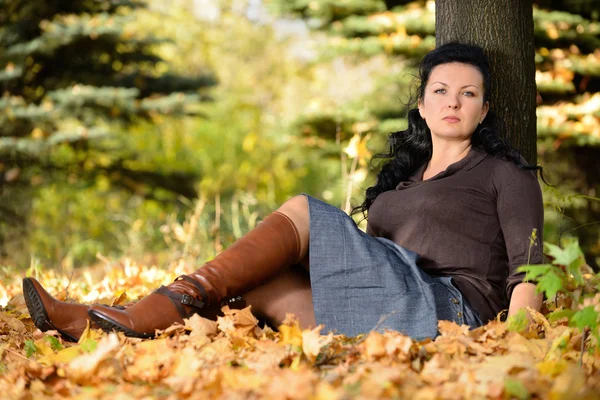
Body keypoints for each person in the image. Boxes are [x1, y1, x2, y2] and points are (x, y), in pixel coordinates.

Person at [22, 42, 545, 342]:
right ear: (423, 107)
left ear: (484, 109)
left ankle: (143, 312)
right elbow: (377, 260)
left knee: (303, 211)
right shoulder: (401, 182)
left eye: (468, 94)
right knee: (254, 280)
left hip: (446, 311)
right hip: (382, 305)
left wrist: (507, 347)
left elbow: (529, 273)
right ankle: (104, 327)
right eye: (441, 92)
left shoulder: (503, 174)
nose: (453, 102)